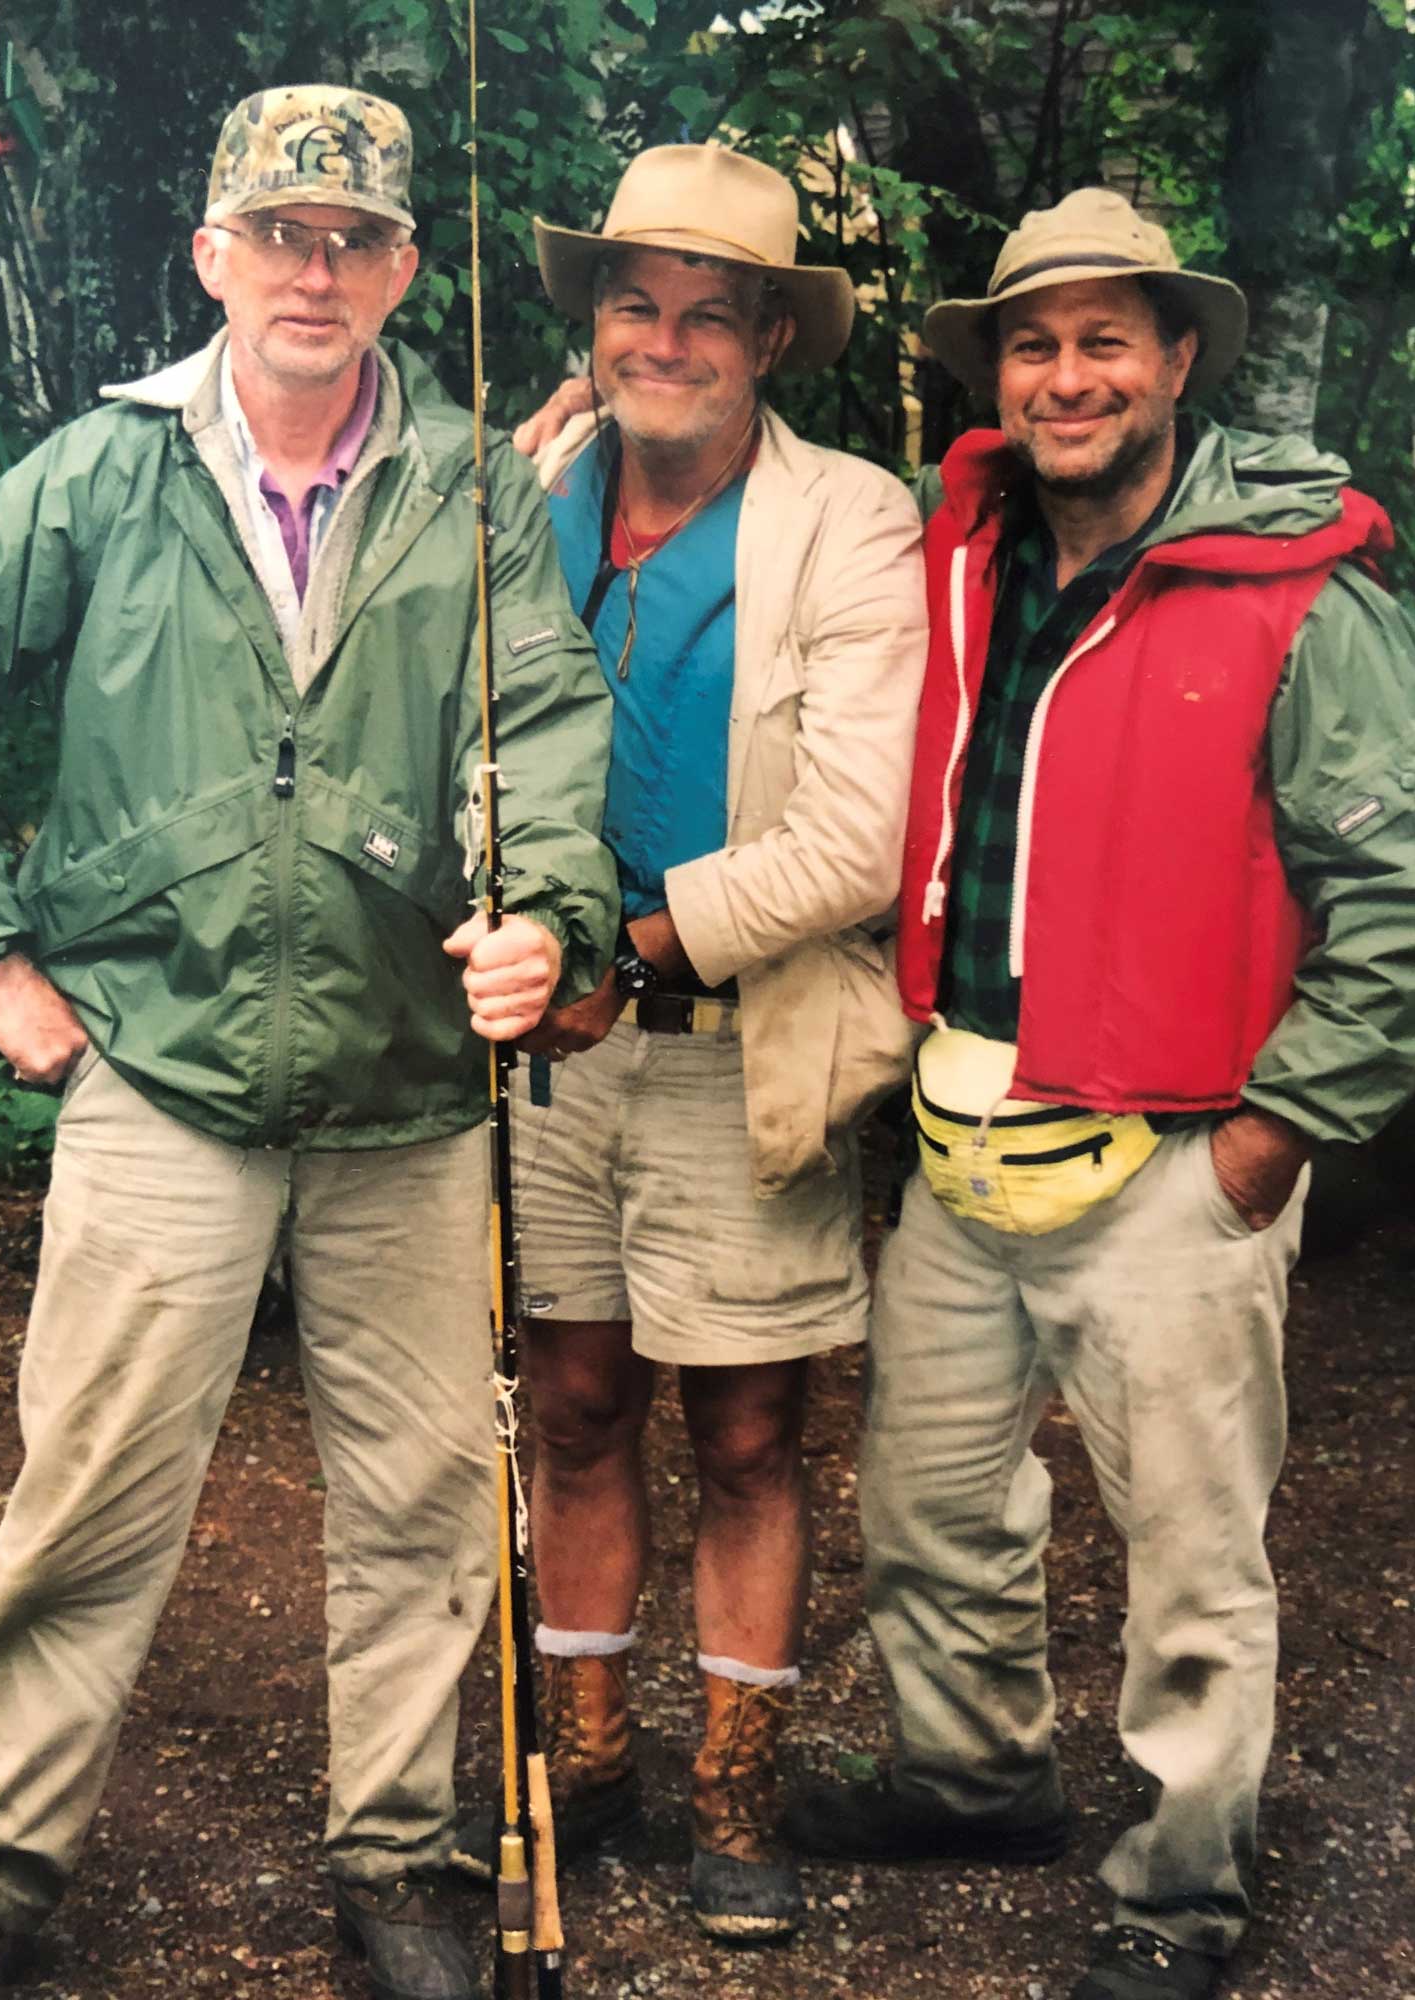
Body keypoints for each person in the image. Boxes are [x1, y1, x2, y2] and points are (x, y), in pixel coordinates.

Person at [782, 188, 1415, 2000]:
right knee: (932, 1502)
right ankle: (973, 1780)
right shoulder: (963, 553)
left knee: (1189, 1545)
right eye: (1036, 341)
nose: (1069, 374)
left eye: (1109, 338)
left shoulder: (1295, 594)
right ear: (997, 374)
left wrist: (1281, 1126)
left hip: (1181, 1147)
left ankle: (1179, 1891)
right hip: (962, 1130)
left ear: (1179, 360)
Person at [0, 85, 616, 2000]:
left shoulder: (472, 483)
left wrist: (550, 923)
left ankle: (402, 1859)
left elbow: (551, 734)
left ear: (407, 267)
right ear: (213, 255)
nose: (314, 271)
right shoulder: (96, 475)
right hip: (157, 1073)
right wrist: (1, 958)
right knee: (86, 1494)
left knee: (425, 1495)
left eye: (354, 240)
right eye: (279, 232)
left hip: (409, 1090)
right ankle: (8, 1859)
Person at [449, 143, 927, 1941]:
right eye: (633, 304)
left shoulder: (851, 522)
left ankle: (738, 1792)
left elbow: (857, 841)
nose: (665, 339)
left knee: (745, 1429)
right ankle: (587, 1758)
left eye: (708, 311)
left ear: (770, 339)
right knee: (572, 1405)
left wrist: (626, 944)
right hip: (548, 1051)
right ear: (591, 322)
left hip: (737, 1036)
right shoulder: (528, 483)